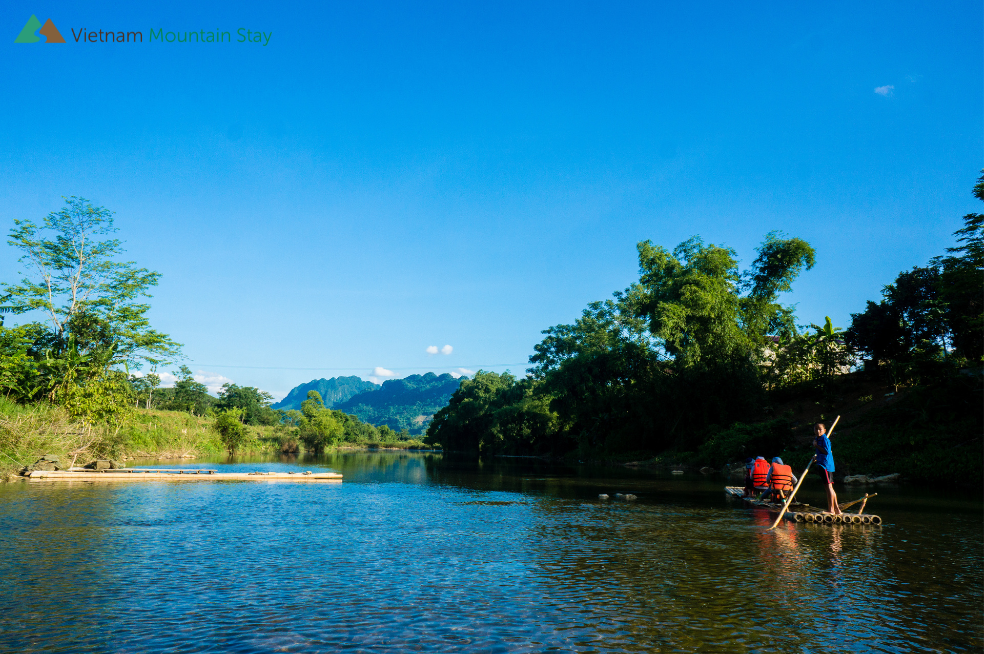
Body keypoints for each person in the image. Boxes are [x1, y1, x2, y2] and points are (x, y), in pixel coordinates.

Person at [813, 422, 841, 514]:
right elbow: (821, 453)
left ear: (824, 430)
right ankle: (837, 509)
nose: (818, 431)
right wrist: (816, 458)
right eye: (816, 429)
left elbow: (827, 452)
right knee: (828, 487)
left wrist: (816, 446)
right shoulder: (818, 439)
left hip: (825, 465)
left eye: (820, 429)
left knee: (829, 487)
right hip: (822, 463)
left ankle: (831, 510)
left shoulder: (825, 439)